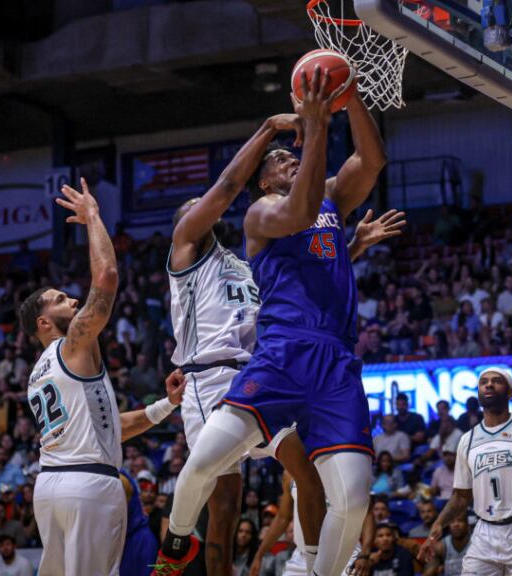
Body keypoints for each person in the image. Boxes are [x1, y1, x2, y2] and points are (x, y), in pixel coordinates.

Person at [156, 70, 389, 576]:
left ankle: (312, 565)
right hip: (263, 361)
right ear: (264, 181)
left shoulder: (302, 216)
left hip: (326, 358)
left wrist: (349, 101)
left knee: (334, 489)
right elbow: (290, 209)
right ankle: (175, 546)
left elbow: (370, 162)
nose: (289, 158)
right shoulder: (255, 214)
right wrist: (313, 125)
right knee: (217, 487)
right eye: (280, 159)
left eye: (292, 155)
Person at [18, 178, 187, 576]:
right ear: (44, 321)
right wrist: (94, 216)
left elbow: (105, 429)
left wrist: (166, 406)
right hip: (88, 488)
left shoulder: (37, 375)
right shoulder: (72, 345)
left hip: (50, 488)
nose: (73, 300)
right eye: (61, 299)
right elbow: (107, 276)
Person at [418, 367, 512, 574]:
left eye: (496, 381)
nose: (489, 384)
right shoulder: (468, 440)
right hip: (485, 531)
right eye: (484, 382)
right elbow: (461, 496)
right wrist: (437, 526)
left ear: (509, 392)